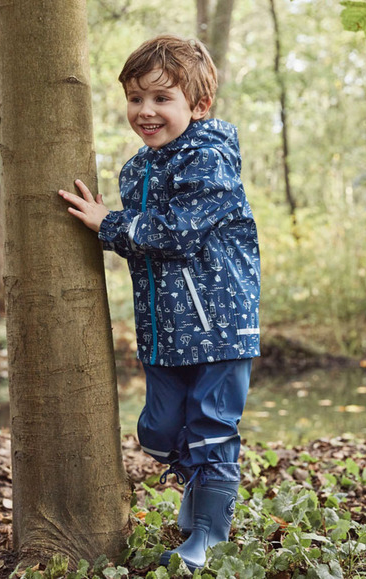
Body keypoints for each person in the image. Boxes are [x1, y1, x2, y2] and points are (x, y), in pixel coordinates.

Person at [58, 35, 260, 571]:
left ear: (198, 106)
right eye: (134, 97)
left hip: (218, 323)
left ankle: (209, 533)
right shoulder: (136, 169)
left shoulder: (209, 158)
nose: (145, 111)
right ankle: (198, 500)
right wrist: (116, 223)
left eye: (161, 98)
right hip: (163, 328)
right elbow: (143, 243)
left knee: (212, 425)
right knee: (159, 430)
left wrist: (111, 224)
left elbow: (177, 234)